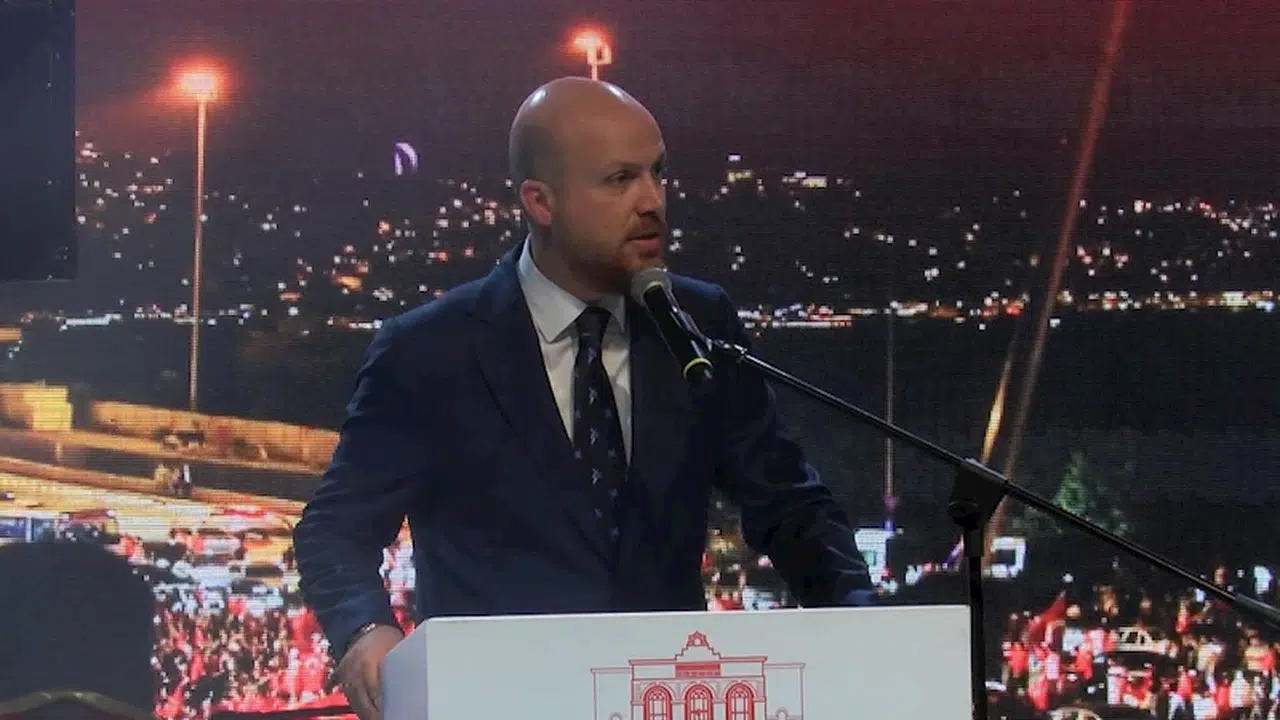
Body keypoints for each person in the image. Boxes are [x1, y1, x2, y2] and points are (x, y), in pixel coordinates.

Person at [292, 76, 877, 720]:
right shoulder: (430, 350)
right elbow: (337, 528)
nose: (653, 201)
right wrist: (364, 629)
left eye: (657, 173)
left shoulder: (698, 324)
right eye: (620, 179)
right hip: (497, 704)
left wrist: (861, 621)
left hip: (663, 700)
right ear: (540, 202)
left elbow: (790, 506)